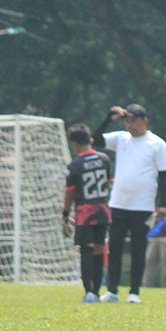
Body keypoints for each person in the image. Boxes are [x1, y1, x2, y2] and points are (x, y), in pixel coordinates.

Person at [92, 103, 166, 304]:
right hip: (119, 203)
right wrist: (108, 118)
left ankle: (134, 291)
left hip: (142, 206)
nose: (130, 125)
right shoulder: (121, 139)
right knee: (115, 248)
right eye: (127, 121)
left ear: (144, 120)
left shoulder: (157, 144)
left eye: (133, 120)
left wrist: (162, 204)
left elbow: (164, 175)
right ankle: (112, 290)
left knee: (138, 250)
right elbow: (96, 140)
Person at [62, 124, 113, 303]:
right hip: (103, 211)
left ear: (75, 144)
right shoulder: (105, 159)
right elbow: (108, 184)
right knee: (99, 249)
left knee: (86, 250)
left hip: (84, 213)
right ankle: (97, 292)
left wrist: (65, 214)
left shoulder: (75, 165)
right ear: (90, 140)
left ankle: (88, 292)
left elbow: (70, 192)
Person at [144, 182, 166, 288]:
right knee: (149, 261)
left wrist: (161, 214)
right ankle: (146, 284)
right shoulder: (158, 204)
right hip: (155, 238)